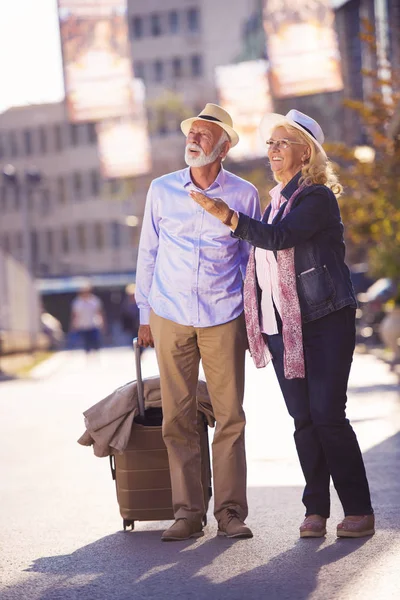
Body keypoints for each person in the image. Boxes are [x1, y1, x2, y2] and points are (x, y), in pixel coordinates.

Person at [190, 109, 375, 539]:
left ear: (304, 152)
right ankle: (316, 511)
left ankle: (360, 509)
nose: (270, 151)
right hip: (282, 327)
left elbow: (280, 240)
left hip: (325, 319)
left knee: (328, 415)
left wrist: (227, 215)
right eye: (270, 144)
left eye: (279, 143)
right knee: (304, 419)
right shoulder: (274, 202)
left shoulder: (315, 197)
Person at [136, 103, 261, 541]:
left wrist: (252, 317)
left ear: (223, 147)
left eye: (206, 135)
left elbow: (251, 262)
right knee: (178, 417)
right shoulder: (161, 189)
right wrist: (144, 313)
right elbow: (148, 252)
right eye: (193, 133)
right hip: (168, 313)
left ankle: (230, 512)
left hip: (224, 314)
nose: (195, 139)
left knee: (230, 417)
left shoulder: (244, 195)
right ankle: (188, 512)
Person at [70, 283, 105, 354]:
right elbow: (74, 315)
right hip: (82, 326)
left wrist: (103, 323)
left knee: (95, 343)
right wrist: (73, 325)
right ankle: (88, 356)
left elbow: (100, 312)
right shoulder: (77, 302)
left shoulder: (95, 300)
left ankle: (95, 354)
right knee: (86, 344)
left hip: (93, 325)